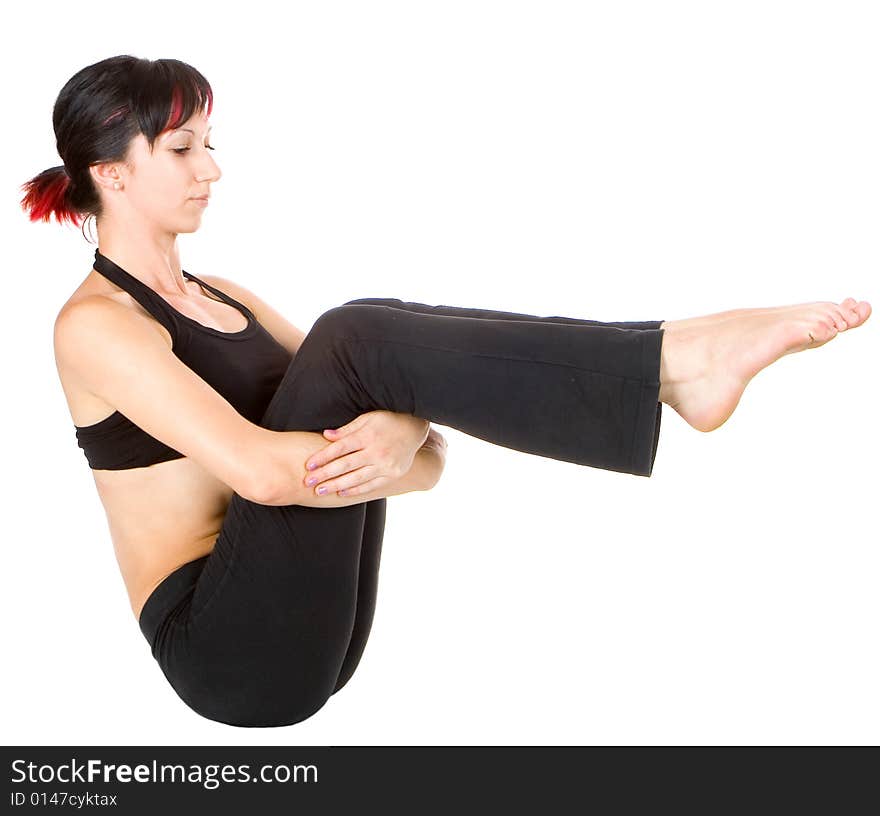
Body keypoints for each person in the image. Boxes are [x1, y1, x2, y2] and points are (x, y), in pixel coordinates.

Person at [22, 56, 871, 728]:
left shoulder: (230, 297)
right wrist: (397, 430)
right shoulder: (96, 326)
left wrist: (403, 429)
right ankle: (673, 360)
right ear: (113, 173)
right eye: (182, 149)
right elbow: (267, 476)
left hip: (314, 622)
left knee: (363, 336)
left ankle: (673, 362)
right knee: (356, 334)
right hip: (225, 647)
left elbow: (427, 467)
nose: (211, 168)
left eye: (212, 143)